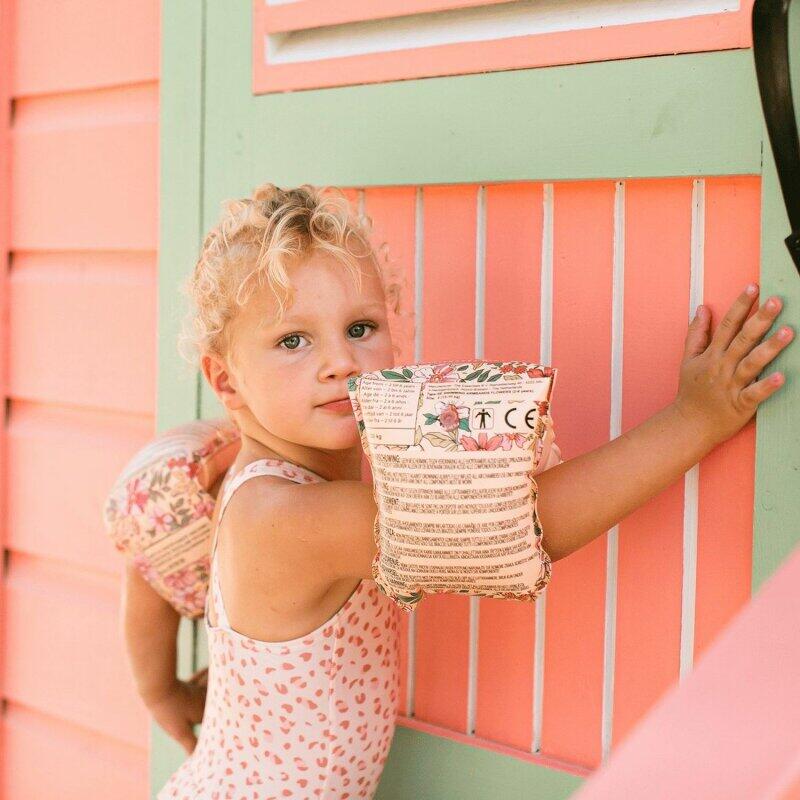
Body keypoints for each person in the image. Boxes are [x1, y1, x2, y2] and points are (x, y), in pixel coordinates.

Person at [151, 183, 791, 798]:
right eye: (293, 340)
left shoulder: (235, 462)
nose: (340, 361)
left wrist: (160, 689)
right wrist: (695, 420)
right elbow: (520, 525)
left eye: (360, 328)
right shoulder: (282, 516)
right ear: (226, 381)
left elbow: (142, 541)